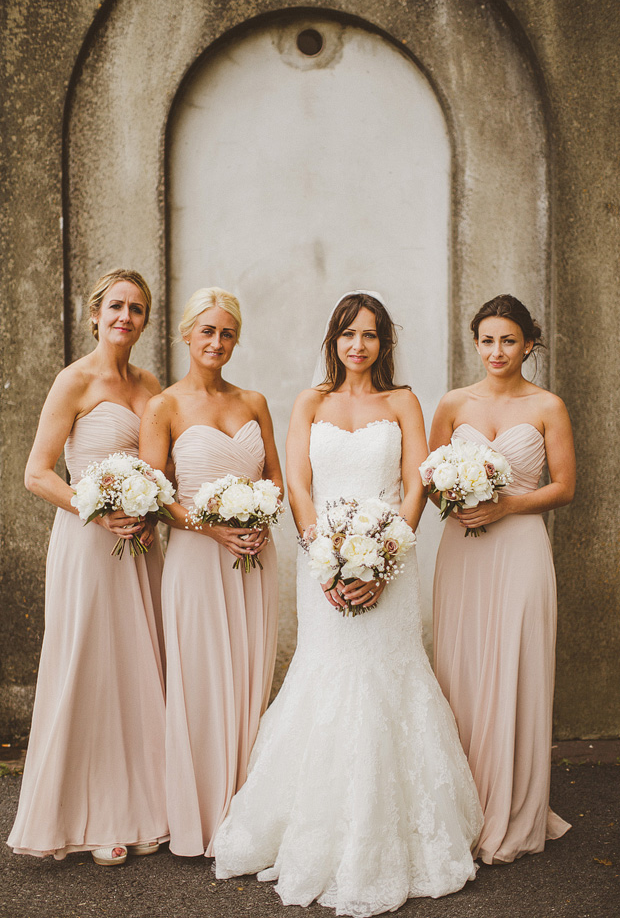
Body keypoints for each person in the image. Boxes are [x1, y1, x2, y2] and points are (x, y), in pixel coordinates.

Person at [214, 291, 482, 917]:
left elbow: (417, 479)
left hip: (392, 557)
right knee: (327, 677)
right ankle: (315, 824)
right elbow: (300, 483)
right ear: (332, 341)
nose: (357, 345)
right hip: (323, 559)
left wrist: (388, 555)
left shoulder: (403, 401)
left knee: (390, 676)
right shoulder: (311, 401)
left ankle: (401, 832)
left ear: (384, 343)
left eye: (370, 335)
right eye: (347, 334)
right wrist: (320, 553)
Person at [8, 269, 168, 866]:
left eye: (137, 309)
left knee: (136, 666)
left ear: (145, 320)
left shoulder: (150, 382)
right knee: (89, 665)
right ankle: (87, 812)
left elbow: (159, 463)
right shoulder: (73, 381)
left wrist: (150, 509)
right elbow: (37, 473)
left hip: (142, 543)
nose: (125, 317)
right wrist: (97, 511)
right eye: (116, 307)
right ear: (95, 314)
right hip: (89, 540)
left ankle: (138, 803)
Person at [429, 294, 576, 865]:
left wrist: (504, 506)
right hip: (463, 551)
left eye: (509, 340)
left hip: (519, 548)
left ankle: (513, 808)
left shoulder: (548, 406)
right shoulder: (452, 403)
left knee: (516, 663)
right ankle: (463, 805)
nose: (497, 351)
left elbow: (563, 486)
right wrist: (458, 495)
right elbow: (430, 478)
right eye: (487, 340)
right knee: (462, 667)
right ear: (475, 342)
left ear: (529, 345)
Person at [138, 287, 282, 858]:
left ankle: (246, 812)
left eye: (226, 333)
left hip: (254, 557)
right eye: (207, 332)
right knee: (200, 680)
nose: (216, 342)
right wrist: (211, 527)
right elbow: (154, 493)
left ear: (235, 338)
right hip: (197, 560)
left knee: (249, 677)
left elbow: (273, 473)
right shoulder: (164, 407)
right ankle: (198, 816)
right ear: (187, 335)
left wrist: (261, 518)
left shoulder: (255, 401)